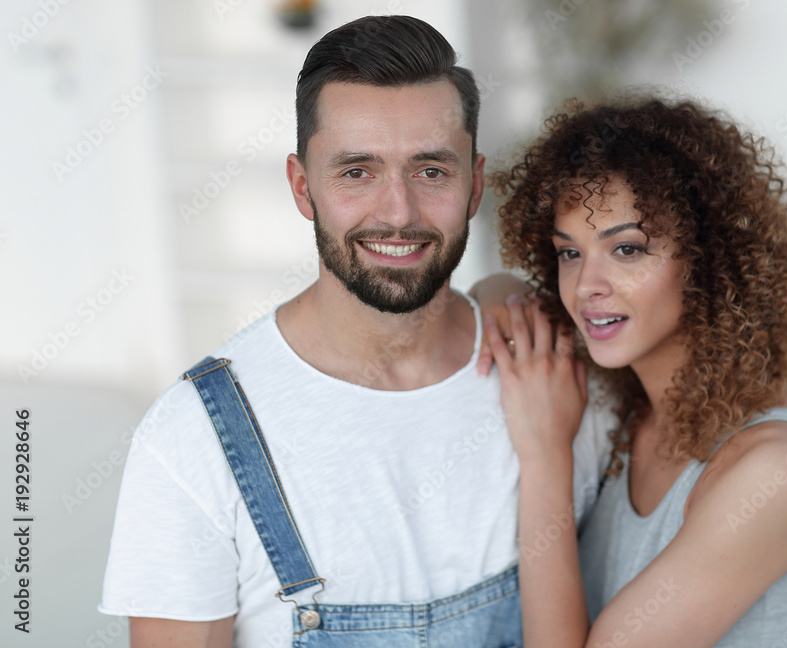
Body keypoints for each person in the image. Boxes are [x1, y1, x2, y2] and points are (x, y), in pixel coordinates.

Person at [97, 16, 615, 648]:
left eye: (431, 172)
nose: (397, 214)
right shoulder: (193, 438)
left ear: (474, 183)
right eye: (356, 172)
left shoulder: (551, 375)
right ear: (301, 186)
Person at [479, 93, 787, 647]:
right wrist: (498, 302)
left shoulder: (780, 468)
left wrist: (544, 456)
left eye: (628, 250)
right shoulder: (632, 405)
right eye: (569, 253)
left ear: (708, 257)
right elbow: (501, 289)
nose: (587, 286)